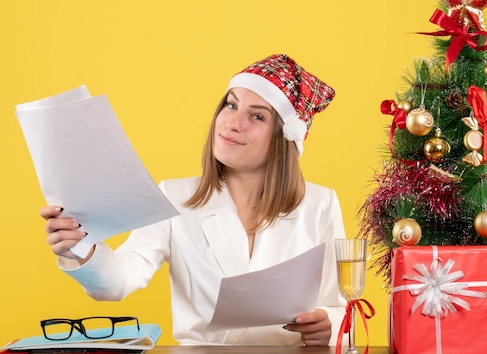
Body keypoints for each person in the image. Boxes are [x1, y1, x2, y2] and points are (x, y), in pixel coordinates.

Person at [41, 54, 347, 346]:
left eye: (256, 116)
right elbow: (119, 281)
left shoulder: (320, 205)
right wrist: (81, 248)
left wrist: (328, 325)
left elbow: (339, 306)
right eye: (230, 105)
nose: (232, 123)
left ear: (285, 137)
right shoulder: (175, 197)